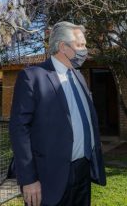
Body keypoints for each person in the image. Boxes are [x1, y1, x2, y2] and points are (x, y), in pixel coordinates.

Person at [9, 21, 106, 206]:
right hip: (49, 177)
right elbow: (19, 130)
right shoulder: (33, 77)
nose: (85, 50)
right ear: (63, 47)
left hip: (82, 171)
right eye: (80, 45)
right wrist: (28, 179)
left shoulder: (78, 76)